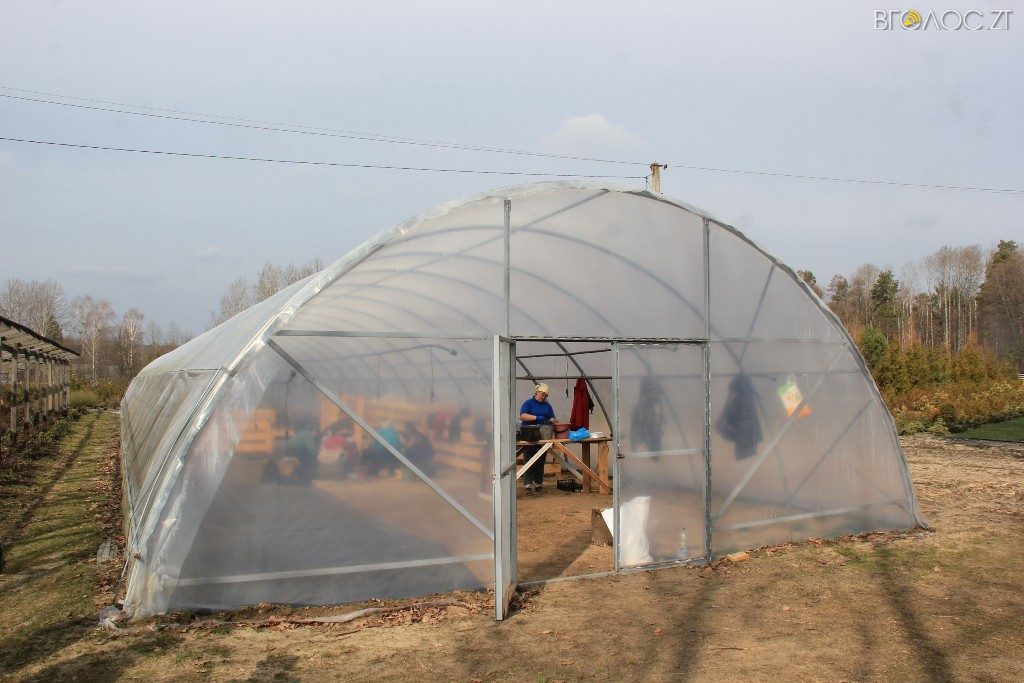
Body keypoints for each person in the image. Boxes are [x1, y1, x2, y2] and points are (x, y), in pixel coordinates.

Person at [520, 383, 556, 493]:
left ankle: (538, 483)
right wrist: (536, 418)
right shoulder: (528, 403)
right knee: (529, 458)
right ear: (536, 393)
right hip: (530, 434)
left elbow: (552, 417)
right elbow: (523, 416)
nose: (543, 397)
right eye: (542, 394)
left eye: (545, 395)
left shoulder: (547, 406)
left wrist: (551, 420)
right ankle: (528, 483)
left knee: (540, 459)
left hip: (543, 434)